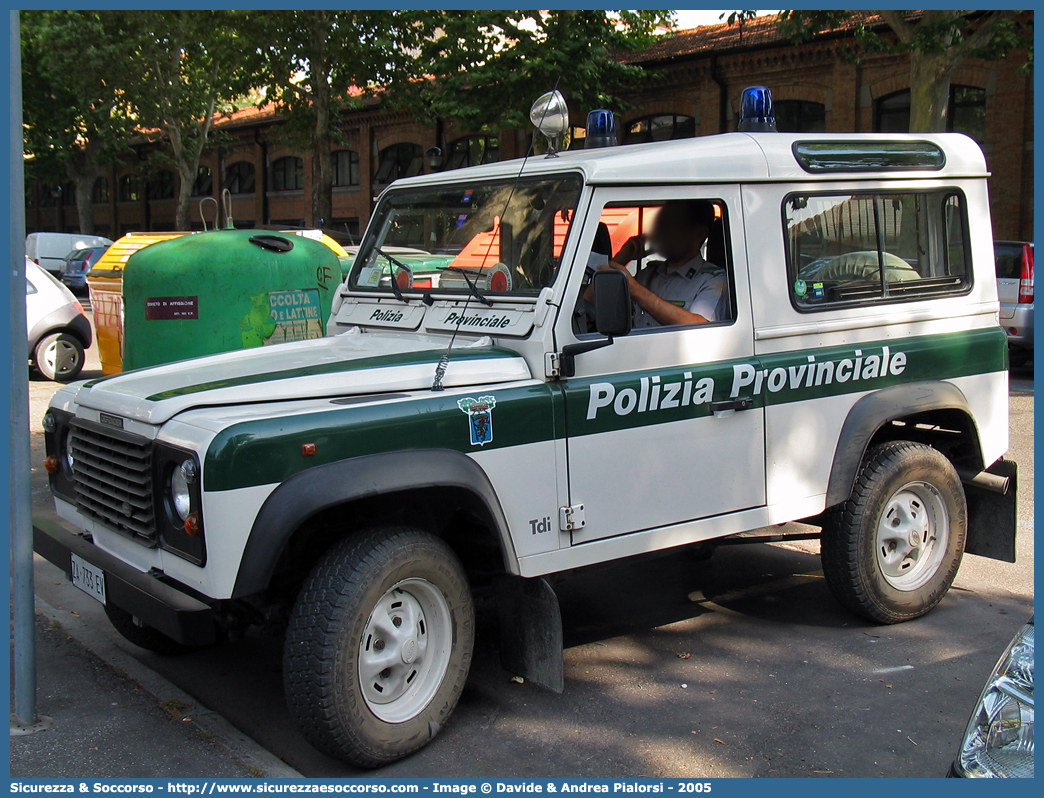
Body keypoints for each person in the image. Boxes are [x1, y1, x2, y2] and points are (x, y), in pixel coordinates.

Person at [592, 200, 728, 328]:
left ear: (699, 234)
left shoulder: (713, 280)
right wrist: (623, 257)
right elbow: (589, 302)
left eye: (669, 225)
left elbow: (700, 329)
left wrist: (637, 291)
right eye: (659, 225)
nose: (658, 232)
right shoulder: (648, 275)